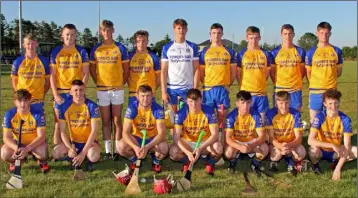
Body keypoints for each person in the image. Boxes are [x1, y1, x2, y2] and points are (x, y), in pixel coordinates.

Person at [89, 20, 129, 160]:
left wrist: (120, 84)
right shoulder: (96, 49)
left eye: (109, 30)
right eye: (104, 30)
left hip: (117, 90)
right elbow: (92, 69)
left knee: (117, 120)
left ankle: (117, 150)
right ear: (101, 31)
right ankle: (107, 151)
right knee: (106, 121)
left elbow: (126, 69)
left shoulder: (120, 48)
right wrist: (99, 82)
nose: (106, 33)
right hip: (102, 90)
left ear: (113, 30)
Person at [50, 24, 90, 146]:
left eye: (72, 34)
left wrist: (79, 91)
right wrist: (55, 94)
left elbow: (86, 73)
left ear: (75, 36)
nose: (69, 37)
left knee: (76, 122)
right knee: (58, 123)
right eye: (67, 34)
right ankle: (58, 151)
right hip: (61, 93)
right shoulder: (56, 51)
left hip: (76, 93)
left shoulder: (82, 51)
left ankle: (78, 146)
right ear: (62, 35)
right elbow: (52, 75)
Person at [169, 89, 223, 176]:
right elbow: (176, 136)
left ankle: (210, 163)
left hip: (205, 143)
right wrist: (187, 152)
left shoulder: (209, 111)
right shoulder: (181, 113)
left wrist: (201, 148)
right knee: (173, 152)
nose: (193, 105)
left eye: (196, 101)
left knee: (218, 148)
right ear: (186, 101)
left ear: (201, 100)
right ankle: (187, 161)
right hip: (188, 142)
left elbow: (215, 135)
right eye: (190, 101)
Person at [161, 18, 200, 137]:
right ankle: (175, 146)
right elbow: (163, 70)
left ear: (187, 30)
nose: (181, 30)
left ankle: (187, 144)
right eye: (178, 28)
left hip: (187, 88)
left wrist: (195, 88)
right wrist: (163, 91)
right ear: (174, 29)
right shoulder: (167, 47)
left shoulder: (192, 46)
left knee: (187, 118)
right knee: (173, 120)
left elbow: (196, 69)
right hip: (172, 88)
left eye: (183, 28)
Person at [116, 85, 168, 173]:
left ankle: (156, 162)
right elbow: (125, 132)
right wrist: (135, 147)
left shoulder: (158, 109)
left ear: (152, 96)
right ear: (137, 96)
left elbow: (162, 134)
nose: (145, 99)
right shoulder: (132, 108)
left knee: (164, 148)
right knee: (120, 147)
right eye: (142, 96)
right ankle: (135, 161)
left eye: (148, 96)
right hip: (137, 138)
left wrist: (147, 147)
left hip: (152, 139)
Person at [52, 80, 101, 171]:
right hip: (73, 142)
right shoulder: (65, 106)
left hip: (90, 143)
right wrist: (69, 148)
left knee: (93, 156)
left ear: (85, 90)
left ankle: (85, 157)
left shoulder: (92, 106)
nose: (79, 93)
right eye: (76, 90)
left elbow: (94, 131)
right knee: (56, 153)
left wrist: (83, 153)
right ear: (70, 92)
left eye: (81, 90)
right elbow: (62, 131)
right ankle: (74, 158)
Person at [308, 89, 357, 180]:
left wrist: (338, 168)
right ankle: (315, 165)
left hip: (336, 151)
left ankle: (336, 163)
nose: (333, 106)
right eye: (330, 103)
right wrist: (331, 144)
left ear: (339, 102)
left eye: (336, 103)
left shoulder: (345, 119)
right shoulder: (320, 117)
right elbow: (310, 140)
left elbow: (347, 145)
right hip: (321, 150)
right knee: (312, 150)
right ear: (325, 104)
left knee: (356, 151)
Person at [1, 89, 49, 173]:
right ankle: (17, 161)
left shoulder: (38, 113)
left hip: (34, 143)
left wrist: (27, 148)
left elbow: (41, 137)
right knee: (4, 153)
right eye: (19, 101)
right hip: (17, 144)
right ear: (15, 102)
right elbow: (6, 137)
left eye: (25, 101)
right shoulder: (9, 114)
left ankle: (42, 162)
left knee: (43, 152)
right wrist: (16, 148)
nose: (23, 104)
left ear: (30, 101)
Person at [199, 22, 236, 131]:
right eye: (214, 33)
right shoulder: (204, 52)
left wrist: (226, 85)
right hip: (208, 90)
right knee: (208, 120)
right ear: (210, 34)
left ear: (222, 34)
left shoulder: (229, 51)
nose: (216, 36)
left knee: (222, 120)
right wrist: (207, 83)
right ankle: (210, 146)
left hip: (223, 90)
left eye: (219, 33)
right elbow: (201, 72)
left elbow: (233, 73)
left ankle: (222, 144)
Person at [305, 22, 343, 123]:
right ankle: (314, 138)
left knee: (331, 116)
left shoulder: (337, 51)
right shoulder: (311, 52)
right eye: (321, 33)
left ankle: (329, 138)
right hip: (315, 91)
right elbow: (308, 73)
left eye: (326, 33)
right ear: (317, 33)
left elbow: (338, 72)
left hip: (331, 90)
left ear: (330, 34)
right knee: (314, 118)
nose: (324, 36)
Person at [224, 90, 268, 174]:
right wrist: (240, 147)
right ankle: (233, 162)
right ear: (237, 103)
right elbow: (228, 138)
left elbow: (262, 136)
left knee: (264, 149)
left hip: (250, 141)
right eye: (242, 103)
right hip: (237, 141)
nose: (245, 106)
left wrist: (251, 145)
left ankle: (255, 163)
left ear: (251, 103)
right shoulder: (231, 116)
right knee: (228, 153)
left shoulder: (256, 115)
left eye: (248, 103)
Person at [266, 91, 306, 175]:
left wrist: (289, 146)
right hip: (277, 144)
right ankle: (277, 161)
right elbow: (271, 138)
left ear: (290, 102)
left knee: (301, 153)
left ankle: (290, 160)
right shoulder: (270, 113)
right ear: (276, 103)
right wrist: (280, 146)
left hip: (291, 143)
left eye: (286, 103)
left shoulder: (295, 113)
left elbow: (299, 138)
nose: (284, 106)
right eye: (281, 103)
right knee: (276, 155)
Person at [237, 26, 271, 122]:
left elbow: (266, 74)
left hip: (261, 95)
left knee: (261, 122)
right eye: (251, 38)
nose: (254, 41)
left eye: (256, 38)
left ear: (260, 38)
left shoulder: (265, 54)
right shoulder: (241, 54)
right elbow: (238, 74)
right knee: (246, 121)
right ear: (246, 38)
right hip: (247, 94)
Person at [11, 33, 50, 113]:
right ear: (24, 45)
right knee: (23, 124)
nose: (30, 46)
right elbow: (14, 80)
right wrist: (19, 94)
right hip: (22, 100)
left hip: (37, 99)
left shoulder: (44, 61)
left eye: (33, 43)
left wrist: (42, 94)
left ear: (37, 44)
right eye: (28, 44)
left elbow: (48, 81)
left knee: (38, 123)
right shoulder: (18, 62)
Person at [270, 24, 306, 111]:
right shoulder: (275, 52)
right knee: (279, 116)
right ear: (281, 34)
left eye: (290, 34)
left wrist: (295, 82)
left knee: (295, 116)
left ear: (293, 34)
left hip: (295, 90)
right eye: (285, 34)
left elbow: (302, 71)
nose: (287, 36)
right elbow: (272, 72)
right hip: (280, 89)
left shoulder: (300, 51)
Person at [128, 30, 160, 106]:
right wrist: (133, 87)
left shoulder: (153, 57)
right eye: (138, 41)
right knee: (133, 117)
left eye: (144, 41)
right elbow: (127, 75)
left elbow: (159, 77)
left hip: (149, 94)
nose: (141, 44)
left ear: (147, 41)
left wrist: (151, 90)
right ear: (135, 42)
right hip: (134, 93)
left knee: (149, 117)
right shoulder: (130, 56)